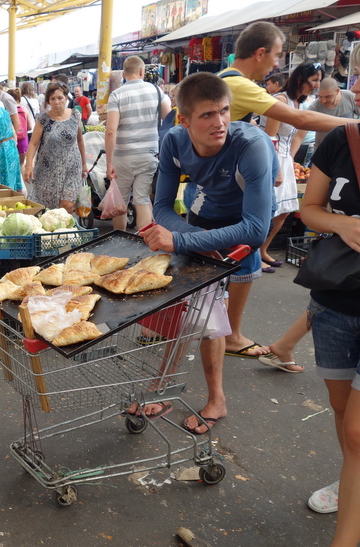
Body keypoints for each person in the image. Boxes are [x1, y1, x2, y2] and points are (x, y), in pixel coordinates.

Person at [142, 72, 277, 431]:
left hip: (245, 225)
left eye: (224, 111)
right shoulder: (173, 140)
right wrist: (190, 236)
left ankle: (216, 398)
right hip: (204, 215)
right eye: (207, 115)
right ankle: (163, 386)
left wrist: (182, 241)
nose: (219, 123)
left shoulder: (251, 145)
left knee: (218, 317)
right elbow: (163, 209)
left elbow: (256, 229)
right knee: (192, 302)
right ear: (184, 119)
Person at [216, 20, 359, 360]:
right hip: (229, 190)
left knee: (219, 263)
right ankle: (230, 336)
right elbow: (303, 122)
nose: (278, 64)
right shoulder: (239, 85)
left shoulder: (225, 81)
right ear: (261, 53)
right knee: (243, 258)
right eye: (278, 55)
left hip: (220, 185)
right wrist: (355, 127)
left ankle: (216, 332)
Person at [299, 74, 360, 535]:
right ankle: (350, 483)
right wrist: (344, 226)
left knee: (358, 431)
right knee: (343, 415)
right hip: (335, 303)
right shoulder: (343, 139)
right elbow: (310, 209)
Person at [259, 61, 324, 274]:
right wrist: (277, 168)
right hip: (271, 159)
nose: (317, 85)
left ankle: (263, 250)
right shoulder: (280, 100)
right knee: (265, 211)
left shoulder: (296, 102)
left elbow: (297, 136)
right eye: (314, 80)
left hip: (284, 160)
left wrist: (291, 161)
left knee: (284, 211)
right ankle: (253, 256)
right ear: (300, 79)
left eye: (319, 81)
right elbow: (270, 138)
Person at [105, 55, 171, 232]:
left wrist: (109, 163)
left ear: (124, 74)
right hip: (148, 154)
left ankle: (120, 240)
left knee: (122, 201)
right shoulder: (157, 92)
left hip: (123, 157)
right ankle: (144, 243)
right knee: (141, 198)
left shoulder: (117, 95)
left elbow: (111, 131)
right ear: (141, 71)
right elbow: (170, 119)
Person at [24, 82, 87, 212]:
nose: (57, 102)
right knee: (47, 208)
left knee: (67, 206)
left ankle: (66, 231)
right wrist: (28, 165)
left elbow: (80, 140)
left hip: (71, 168)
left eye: (60, 98)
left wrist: (84, 164)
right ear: (48, 101)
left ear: (66, 98)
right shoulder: (43, 119)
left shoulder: (75, 115)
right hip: (47, 169)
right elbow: (33, 143)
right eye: (53, 99)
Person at [292, 77, 360, 152]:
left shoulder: (350, 97)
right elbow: (299, 135)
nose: (323, 101)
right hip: (323, 151)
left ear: (337, 91)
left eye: (328, 96)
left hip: (347, 150)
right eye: (320, 96)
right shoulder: (315, 106)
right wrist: (291, 156)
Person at [6, 88, 29, 166]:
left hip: (11, 140)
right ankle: (22, 178)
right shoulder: (24, 109)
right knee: (21, 164)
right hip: (23, 140)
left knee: (11, 165)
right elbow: (29, 126)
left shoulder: (7, 111)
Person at [19, 82, 39, 149]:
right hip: (33, 128)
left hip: (23, 129)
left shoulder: (20, 100)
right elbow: (37, 115)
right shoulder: (35, 101)